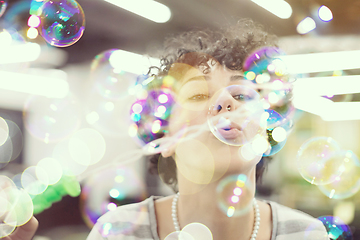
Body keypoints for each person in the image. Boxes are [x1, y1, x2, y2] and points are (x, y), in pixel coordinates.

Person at [87, 19, 330, 240]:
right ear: (166, 138)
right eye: (200, 94)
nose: (226, 103)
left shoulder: (306, 234)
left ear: (265, 134)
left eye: (241, 95)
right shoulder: (118, 232)